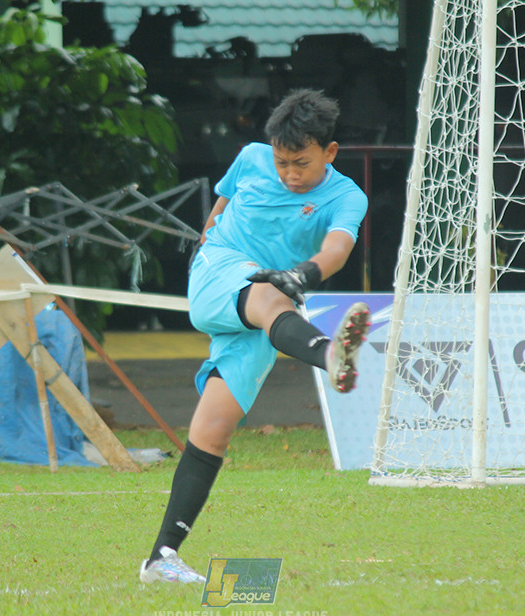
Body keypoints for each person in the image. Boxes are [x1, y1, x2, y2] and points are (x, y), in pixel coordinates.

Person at [140, 89, 371, 584]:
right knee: (270, 296)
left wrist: (305, 274)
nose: (289, 173)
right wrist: (210, 244)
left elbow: (339, 246)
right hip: (222, 274)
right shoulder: (250, 159)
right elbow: (220, 208)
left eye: (301, 164)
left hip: (269, 309)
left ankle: (161, 558)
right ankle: (328, 353)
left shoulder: (347, 196)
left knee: (215, 428)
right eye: (281, 161)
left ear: (329, 153)